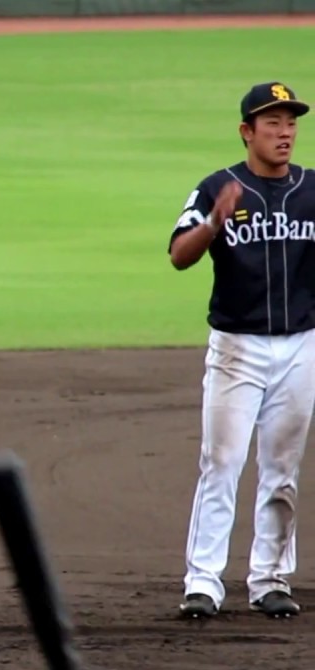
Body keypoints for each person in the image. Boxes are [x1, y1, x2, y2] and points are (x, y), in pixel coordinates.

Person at [171, 81, 315, 620]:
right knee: (222, 463)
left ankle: (270, 579)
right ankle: (203, 583)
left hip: (301, 346)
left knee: (282, 469)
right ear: (246, 131)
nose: (285, 132)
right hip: (237, 348)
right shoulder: (217, 188)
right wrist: (215, 221)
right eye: (273, 122)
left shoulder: (312, 190)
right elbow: (179, 255)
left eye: (291, 122)